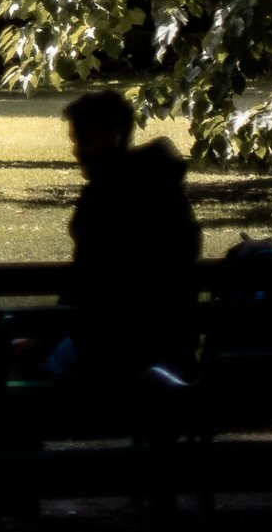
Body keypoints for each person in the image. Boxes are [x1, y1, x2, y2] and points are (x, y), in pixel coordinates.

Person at [52, 88, 203, 379]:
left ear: (115, 135)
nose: (77, 151)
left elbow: (83, 286)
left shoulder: (102, 202)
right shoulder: (168, 194)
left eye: (85, 139)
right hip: (172, 347)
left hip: (107, 353)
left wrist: (41, 338)